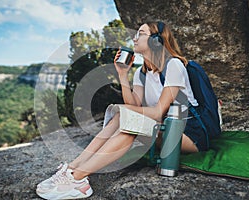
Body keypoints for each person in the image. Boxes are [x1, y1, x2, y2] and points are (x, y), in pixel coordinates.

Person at [36, 21, 209, 200]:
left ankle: (78, 179)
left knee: (128, 123)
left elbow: (158, 112)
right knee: (123, 118)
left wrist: (124, 109)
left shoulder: (173, 65)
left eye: (140, 34)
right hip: (164, 129)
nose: (134, 38)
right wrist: (122, 74)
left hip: (187, 133)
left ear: (156, 40)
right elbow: (134, 103)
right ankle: (72, 168)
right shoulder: (142, 73)